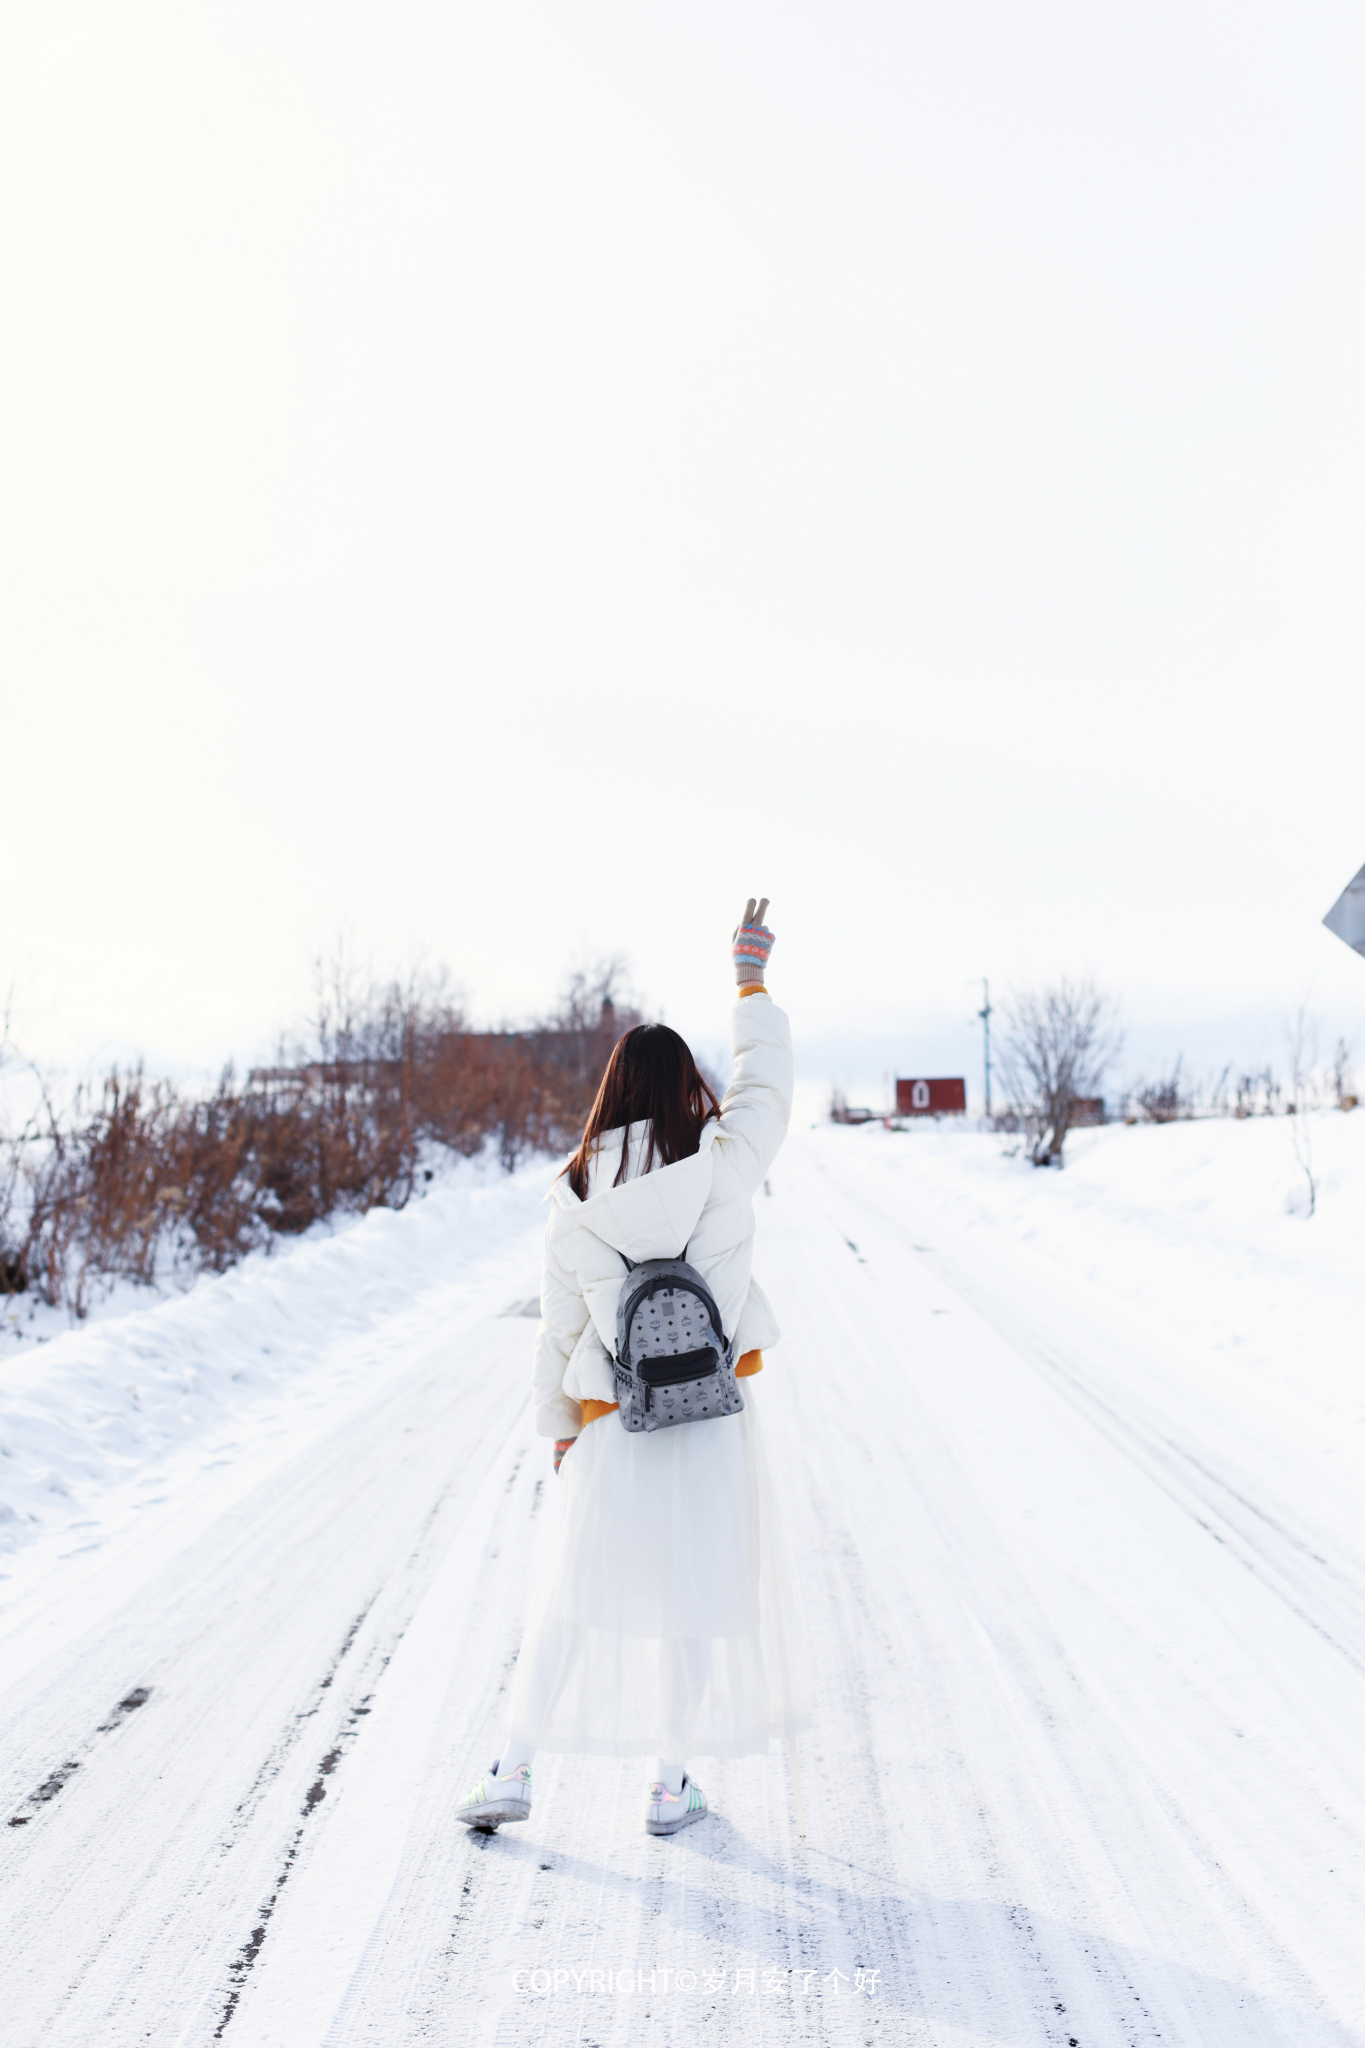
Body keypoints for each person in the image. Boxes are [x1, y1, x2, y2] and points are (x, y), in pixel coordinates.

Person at [458, 900, 812, 1837]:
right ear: (685, 1085)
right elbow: (766, 1088)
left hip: (618, 1422)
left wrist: (561, 1432)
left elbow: (555, 1326)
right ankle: (669, 1786)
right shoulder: (720, 1162)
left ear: (610, 1093)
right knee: (694, 1598)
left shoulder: (574, 1194)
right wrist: (748, 980)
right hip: (709, 1419)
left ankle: (513, 1770)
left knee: (571, 1595)